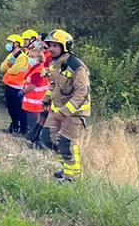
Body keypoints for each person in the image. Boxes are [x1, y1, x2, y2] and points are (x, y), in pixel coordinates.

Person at [42, 29, 91, 181]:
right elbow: (53, 84)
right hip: (57, 110)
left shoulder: (76, 66)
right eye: (49, 45)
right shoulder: (55, 63)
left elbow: (82, 92)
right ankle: (65, 168)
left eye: (55, 45)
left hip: (74, 113)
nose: (51, 49)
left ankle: (72, 177)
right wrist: (46, 99)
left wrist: (65, 111)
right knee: (47, 139)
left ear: (65, 46)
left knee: (66, 144)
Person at [19, 44, 50, 145]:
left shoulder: (37, 71)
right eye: (30, 56)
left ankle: (38, 144)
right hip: (37, 101)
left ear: (39, 58)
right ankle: (36, 142)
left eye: (32, 57)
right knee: (35, 123)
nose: (30, 59)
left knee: (33, 124)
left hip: (35, 103)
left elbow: (33, 86)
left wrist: (23, 92)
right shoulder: (36, 68)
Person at [0, 34, 29, 133]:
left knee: (19, 109)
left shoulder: (22, 57)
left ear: (16, 44)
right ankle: (14, 126)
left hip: (18, 87)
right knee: (11, 108)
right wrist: (8, 67)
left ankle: (23, 129)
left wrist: (8, 67)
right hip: (9, 85)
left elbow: (14, 71)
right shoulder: (11, 55)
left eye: (10, 42)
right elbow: (2, 69)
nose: (8, 44)